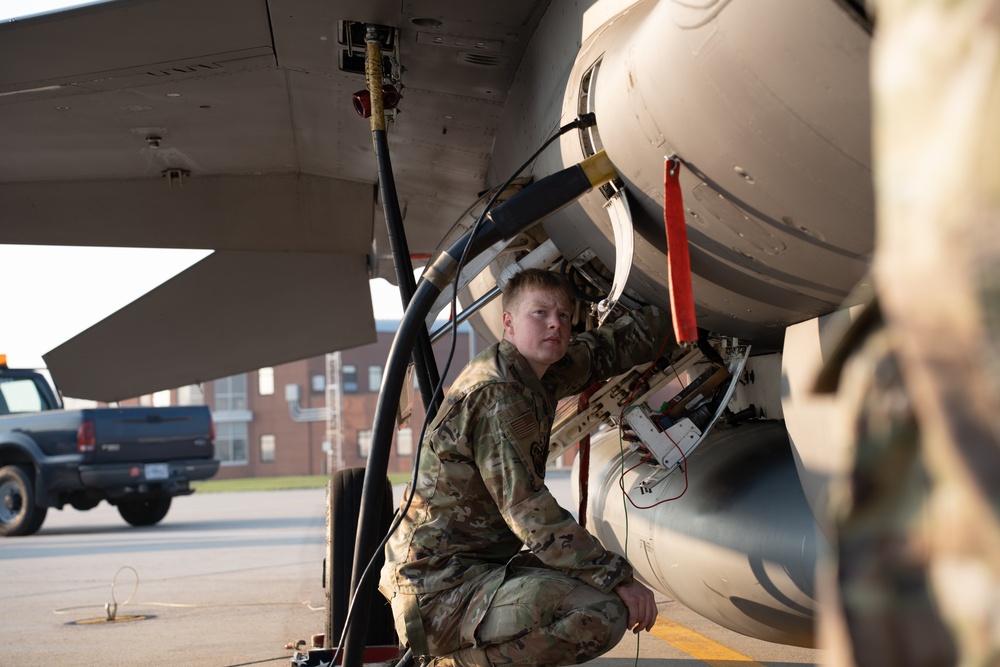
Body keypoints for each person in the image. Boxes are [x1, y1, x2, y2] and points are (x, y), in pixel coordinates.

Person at [379, 268, 676, 667]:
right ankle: (451, 664)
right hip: (438, 590)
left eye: (564, 316)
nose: (555, 323)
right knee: (602, 613)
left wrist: (683, 312)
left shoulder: (535, 369)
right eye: (539, 313)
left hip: (476, 570)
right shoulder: (499, 393)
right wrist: (617, 576)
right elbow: (528, 510)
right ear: (508, 323)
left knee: (594, 590)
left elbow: (602, 351)